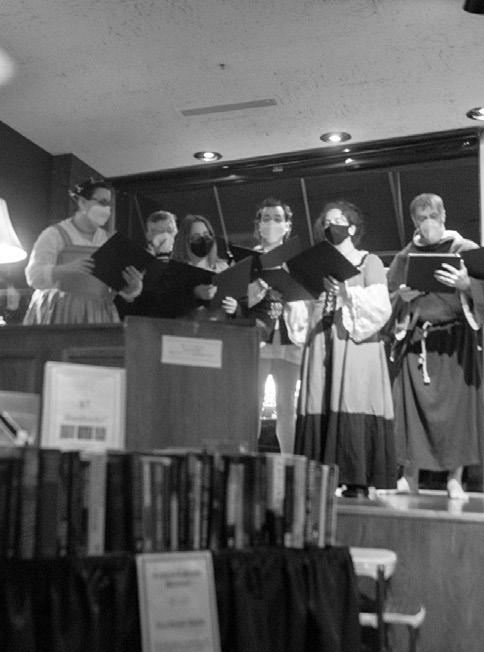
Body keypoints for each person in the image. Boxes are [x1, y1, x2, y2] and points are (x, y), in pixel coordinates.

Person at [386, 192, 484, 500]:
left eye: (432, 216)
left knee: (456, 414)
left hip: (454, 341)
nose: (428, 223)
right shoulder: (405, 257)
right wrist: (402, 298)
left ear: (444, 216)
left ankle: (454, 479)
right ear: (413, 221)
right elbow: (388, 297)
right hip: (418, 340)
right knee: (411, 412)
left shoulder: (465, 250)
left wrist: (467, 284)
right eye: (421, 218)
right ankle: (409, 477)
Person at [294, 201, 396, 493]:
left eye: (338, 220)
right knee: (319, 399)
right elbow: (303, 306)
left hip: (354, 344)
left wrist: (346, 292)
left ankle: (356, 477)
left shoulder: (368, 261)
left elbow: (380, 306)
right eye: (326, 222)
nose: (331, 225)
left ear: (352, 227)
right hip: (321, 340)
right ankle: (319, 477)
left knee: (352, 398)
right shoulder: (316, 263)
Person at [223, 197, 308, 455]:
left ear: (288, 226)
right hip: (258, 339)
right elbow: (236, 301)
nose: (272, 223)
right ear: (258, 225)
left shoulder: (299, 260)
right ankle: (248, 459)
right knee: (253, 403)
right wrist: (259, 285)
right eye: (266, 218)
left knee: (287, 406)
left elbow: (309, 298)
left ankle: (289, 463)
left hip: (291, 339)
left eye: (278, 219)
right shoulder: (246, 261)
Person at [22, 178, 143, 324]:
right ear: (82, 202)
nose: (107, 209)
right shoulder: (54, 234)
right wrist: (64, 269)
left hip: (98, 313)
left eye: (109, 204)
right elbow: (33, 276)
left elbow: (120, 289)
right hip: (60, 310)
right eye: (102, 202)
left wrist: (131, 284)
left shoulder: (110, 240)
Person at [170, 213, 227, 315]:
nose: (203, 240)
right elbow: (172, 306)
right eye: (197, 238)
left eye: (206, 235)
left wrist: (234, 307)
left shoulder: (223, 267)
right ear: (185, 241)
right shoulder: (177, 272)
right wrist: (195, 294)